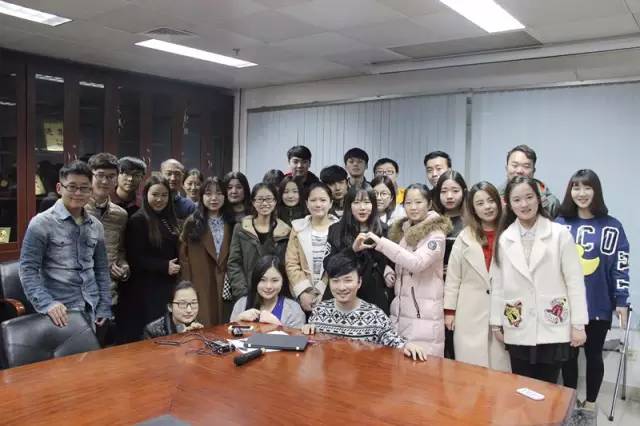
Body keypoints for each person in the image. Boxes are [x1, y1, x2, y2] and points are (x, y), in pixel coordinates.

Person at [490, 176, 588, 384]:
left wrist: (578, 324)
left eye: (529, 197)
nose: (524, 204)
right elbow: (497, 285)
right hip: (518, 323)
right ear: (509, 203)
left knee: (548, 388)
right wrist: (496, 323)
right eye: (517, 200)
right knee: (521, 386)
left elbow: (575, 282)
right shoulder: (505, 238)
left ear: (538, 198)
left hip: (551, 322)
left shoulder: (559, 234)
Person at [557, 169, 630, 416]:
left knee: (594, 354)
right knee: (568, 356)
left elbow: (621, 266)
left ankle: (589, 405)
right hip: (564, 305)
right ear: (570, 191)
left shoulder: (612, 226)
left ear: (596, 191)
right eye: (576, 187)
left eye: (587, 187)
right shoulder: (559, 224)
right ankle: (570, 402)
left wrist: (621, 300)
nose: (582, 193)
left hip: (598, 302)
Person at [361, 183, 452, 356]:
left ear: (429, 204)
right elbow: (401, 261)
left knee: (424, 364)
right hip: (401, 312)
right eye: (408, 203)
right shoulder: (404, 231)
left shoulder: (436, 234)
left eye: (418, 202)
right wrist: (389, 270)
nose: (413, 207)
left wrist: (381, 243)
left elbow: (416, 263)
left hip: (423, 314)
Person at [19, 160, 112, 328]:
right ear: (59, 188)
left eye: (84, 188)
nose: (78, 193)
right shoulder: (41, 223)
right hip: (59, 311)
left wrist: (104, 305)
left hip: (92, 307)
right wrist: (47, 304)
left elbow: (101, 269)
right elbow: (27, 270)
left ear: (91, 190)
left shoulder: (96, 226)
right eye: (72, 187)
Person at [302, 251, 426, 361]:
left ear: (359, 282)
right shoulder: (320, 310)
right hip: (330, 374)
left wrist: (407, 345)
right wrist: (307, 330)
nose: (341, 287)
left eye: (348, 280)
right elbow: (313, 346)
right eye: (335, 281)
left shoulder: (375, 315)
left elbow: (392, 339)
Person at [444, 181, 510, 371]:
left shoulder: (510, 234)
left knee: (501, 369)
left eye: (491, 201)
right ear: (473, 209)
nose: (487, 207)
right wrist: (449, 311)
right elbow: (453, 277)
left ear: (499, 202)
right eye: (480, 203)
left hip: (502, 311)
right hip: (469, 311)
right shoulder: (464, 237)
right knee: (470, 370)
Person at [124, 175, 181, 342]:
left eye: (164, 195)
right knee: (153, 335)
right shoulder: (138, 220)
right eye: (155, 194)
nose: (159, 199)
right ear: (145, 194)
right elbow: (135, 258)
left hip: (167, 285)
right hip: (147, 289)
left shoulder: (169, 218)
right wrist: (163, 266)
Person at [85, 153, 129, 345]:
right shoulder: (76, 208)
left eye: (111, 176)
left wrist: (124, 268)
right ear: (90, 176)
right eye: (100, 175)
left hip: (108, 294)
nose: (105, 181)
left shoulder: (120, 215)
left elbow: (120, 251)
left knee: (102, 352)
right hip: (77, 296)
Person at [328, 186, 393, 314]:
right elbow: (329, 264)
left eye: (367, 202)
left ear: (373, 205)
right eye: (356, 202)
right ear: (349, 205)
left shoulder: (384, 229)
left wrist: (386, 267)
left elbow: (388, 260)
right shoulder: (336, 230)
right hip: (344, 292)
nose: (362, 207)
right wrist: (352, 250)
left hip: (374, 294)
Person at [180, 177, 232, 326]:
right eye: (208, 194)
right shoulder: (192, 222)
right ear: (202, 196)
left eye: (219, 193)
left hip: (226, 285)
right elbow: (184, 258)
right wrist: (187, 288)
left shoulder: (232, 222)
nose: (214, 198)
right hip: (201, 284)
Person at [227, 182, 291, 301]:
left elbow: (288, 265)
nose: (265, 203)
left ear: (275, 201)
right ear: (253, 202)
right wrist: (242, 293)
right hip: (247, 293)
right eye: (260, 199)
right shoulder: (241, 228)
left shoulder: (285, 231)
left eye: (269, 199)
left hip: (276, 293)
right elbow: (234, 263)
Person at [285, 183, 339, 313]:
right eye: (313, 200)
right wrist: (304, 292)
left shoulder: (339, 228)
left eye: (323, 200)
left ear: (331, 203)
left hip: (332, 293)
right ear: (307, 203)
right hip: (303, 296)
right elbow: (291, 263)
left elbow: (339, 264)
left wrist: (322, 290)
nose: (318, 204)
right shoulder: (298, 228)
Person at [432, 170, 467, 359]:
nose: (449, 196)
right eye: (444, 191)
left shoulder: (470, 221)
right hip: (433, 288)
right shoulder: (431, 220)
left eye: (455, 191)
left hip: (462, 290)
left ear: (464, 191)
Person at [231, 255, 305, 328]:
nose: (268, 286)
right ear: (255, 280)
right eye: (263, 280)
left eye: (275, 280)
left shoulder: (293, 309)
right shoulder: (241, 304)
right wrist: (238, 319)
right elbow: (228, 334)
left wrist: (278, 325)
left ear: (283, 281)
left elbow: (297, 335)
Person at [498, 145, 560, 218]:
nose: (519, 171)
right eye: (515, 165)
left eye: (526, 166)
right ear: (506, 168)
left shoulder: (550, 203)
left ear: (533, 171)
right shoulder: (495, 199)